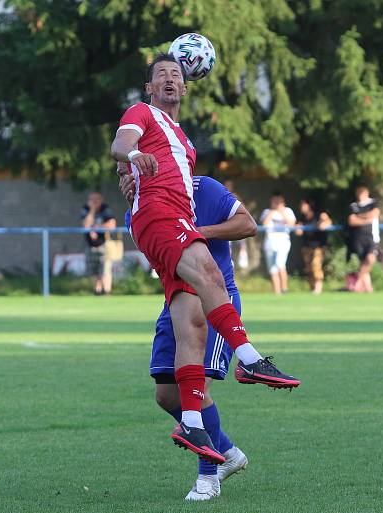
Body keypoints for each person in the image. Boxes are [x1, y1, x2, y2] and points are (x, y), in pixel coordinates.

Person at [110, 54, 300, 464]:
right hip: (160, 215)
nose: (169, 78)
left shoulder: (182, 139)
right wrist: (129, 161)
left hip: (168, 214)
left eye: (176, 74)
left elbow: (146, 172)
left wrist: (132, 178)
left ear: (186, 85)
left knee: (192, 329)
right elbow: (120, 145)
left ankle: (193, 420)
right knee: (210, 273)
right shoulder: (142, 112)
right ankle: (249, 360)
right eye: (160, 74)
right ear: (149, 88)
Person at [120, 170, 252, 501]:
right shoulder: (135, 213)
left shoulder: (203, 188)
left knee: (195, 389)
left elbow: (248, 224)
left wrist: (192, 233)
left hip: (214, 300)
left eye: (131, 169)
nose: (126, 177)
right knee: (166, 395)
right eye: (121, 172)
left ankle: (208, 477)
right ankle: (228, 453)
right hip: (176, 303)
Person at [80, 191, 117, 295]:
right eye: (92, 200)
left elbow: (112, 224)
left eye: (96, 199)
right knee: (94, 270)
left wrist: (97, 228)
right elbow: (85, 225)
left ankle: (107, 291)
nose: (94, 202)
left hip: (104, 244)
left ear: (101, 200)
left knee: (105, 269)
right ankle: (97, 291)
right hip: (90, 244)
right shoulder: (86, 209)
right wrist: (92, 210)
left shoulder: (105, 208)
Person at [260, 192, 296, 294]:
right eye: (274, 201)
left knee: (280, 264)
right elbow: (265, 223)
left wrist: (282, 211)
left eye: (278, 201)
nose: (276, 203)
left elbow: (291, 224)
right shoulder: (267, 212)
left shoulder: (288, 211)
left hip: (283, 242)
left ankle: (284, 289)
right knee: (272, 268)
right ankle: (277, 292)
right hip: (270, 242)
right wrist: (272, 211)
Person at [295, 198, 333, 294]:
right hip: (307, 246)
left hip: (318, 246)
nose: (301, 207)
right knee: (308, 268)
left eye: (303, 204)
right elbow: (298, 231)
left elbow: (328, 221)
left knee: (316, 265)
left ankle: (318, 288)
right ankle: (312, 287)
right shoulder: (302, 217)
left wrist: (324, 223)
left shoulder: (319, 214)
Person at [347, 185, 380, 293]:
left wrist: (359, 216)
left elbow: (375, 214)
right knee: (363, 263)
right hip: (358, 238)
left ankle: (358, 283)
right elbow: (352, 220)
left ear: (367, 194)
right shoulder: (354, 205)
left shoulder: (373, 203)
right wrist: (366, 219)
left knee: (371, 259)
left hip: (371, 237)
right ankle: (368, 288)